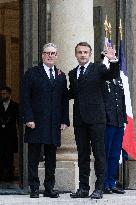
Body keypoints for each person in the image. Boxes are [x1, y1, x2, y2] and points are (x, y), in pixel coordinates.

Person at [69, 42, 119, 199]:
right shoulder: (72, 73)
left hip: (97, 119)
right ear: (75, 54)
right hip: (80, 120)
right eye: (79, 52)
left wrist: (113, 61)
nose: (82, 55)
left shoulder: (98, 68)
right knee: (82, 155)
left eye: (85, 52)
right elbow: (72, 93)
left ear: (90, 54)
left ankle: (99, 188)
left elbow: (112, 75)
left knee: (99, 154)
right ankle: (83, 188)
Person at [22, 43, 69, 198]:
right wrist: (28, 118)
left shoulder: (61, 76)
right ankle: (34, 188)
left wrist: (64, 120)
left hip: (53, 123)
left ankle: (49, 188)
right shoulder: (32, 73)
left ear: (57, 56)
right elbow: (25, 98)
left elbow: (64, 100)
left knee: (51, 159)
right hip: (35, 122)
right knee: (33, 158)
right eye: (47, 53)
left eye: (53, 53)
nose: (50, 56)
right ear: (42, 55)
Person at [103, 77, 127, 194]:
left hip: (119, 121)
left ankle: (112, 183)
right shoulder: (102, 77)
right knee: (105, 154)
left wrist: (124, 119)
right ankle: (104, 183)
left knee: (115, 154)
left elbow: (122, 100)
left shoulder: (118, 79)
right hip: (108, 122)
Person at [0, 86, 19, 182]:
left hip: (11, 135)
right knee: (1, 155)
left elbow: (18, 121)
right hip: (0, 135)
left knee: (9, 155)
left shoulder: (15, 106)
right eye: (2, 94)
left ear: (9, 94)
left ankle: (9, 175)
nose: (3, 95)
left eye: (4, 93)